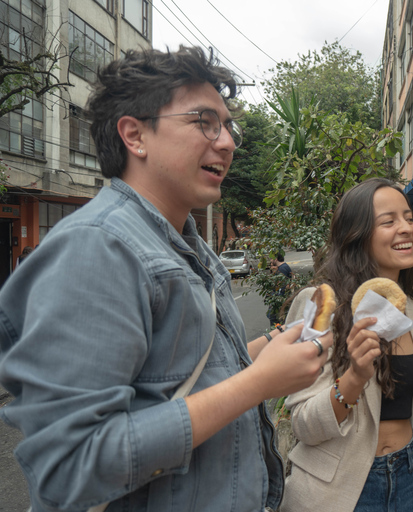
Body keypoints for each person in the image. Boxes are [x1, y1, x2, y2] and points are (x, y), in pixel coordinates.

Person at [0, 46, 331, 512]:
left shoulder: (184, 244)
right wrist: (257, 383)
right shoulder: (100, 246)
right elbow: (70, 466)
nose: (228, 142)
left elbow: (176, 373)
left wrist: (271, 349)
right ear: (135, 135)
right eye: (204, 121)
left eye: (227, 125)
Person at [280, 178, 413, 512]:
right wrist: (354, 378)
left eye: (409, 218)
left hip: (410, 476)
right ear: (356, 236)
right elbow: (302, 424)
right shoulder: (320, 305)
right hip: (341, 487)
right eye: (388, 222)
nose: (406, 229)